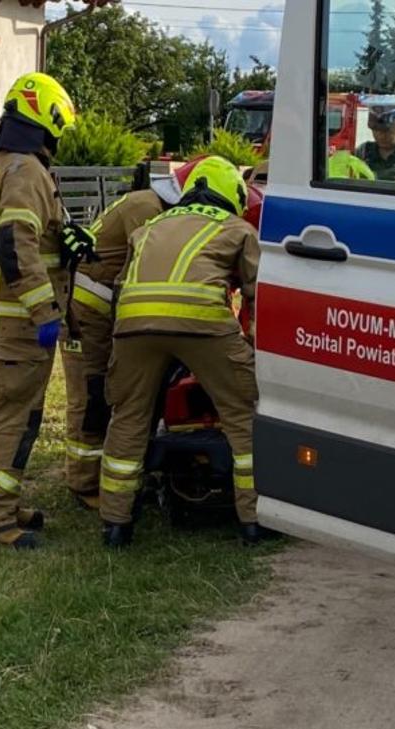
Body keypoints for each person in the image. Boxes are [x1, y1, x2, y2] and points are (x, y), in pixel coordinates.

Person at [99, 157, 263, 548]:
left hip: (134, 325)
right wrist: (251, 345)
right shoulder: (237, 228)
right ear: (233, 195)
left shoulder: (149, 227)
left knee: (128, 417)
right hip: (201, 322)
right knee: (242, 414)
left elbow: (122, 286)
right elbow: (258, 293)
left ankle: (115, 524)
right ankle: (253, 521)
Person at [0, 72, 81, 549]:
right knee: (11, 417)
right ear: (46, 121)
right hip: (15, 325)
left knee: (8, 415)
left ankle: (2, 503)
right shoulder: (26, 171)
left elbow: (23, 235)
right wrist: (45, 312)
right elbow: (15, 244)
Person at [60, 166, 180, 511]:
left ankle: (98, 475)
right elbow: (144, 265)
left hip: (96, 312)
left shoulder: (144, 202)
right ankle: (84, 482)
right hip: (86, 314)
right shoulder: (147, 210)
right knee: (89, 395)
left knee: (103, 392)